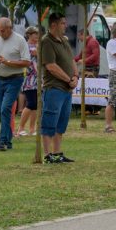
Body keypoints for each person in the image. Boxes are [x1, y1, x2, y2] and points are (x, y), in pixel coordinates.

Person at [0, 17, 31, 151]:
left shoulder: (20, 40)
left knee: (6, 108)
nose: (1, 33)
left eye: (3, 31)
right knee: (1, 111)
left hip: (14, 79)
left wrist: (8, 62)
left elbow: (26, 62)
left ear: (10, 28)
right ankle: (8, 141)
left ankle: (2, 141)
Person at [39, 13, 77, 164]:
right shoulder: (46, 42)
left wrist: (75, 77)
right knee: (50, 120)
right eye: (62, 23)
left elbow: (71, 60)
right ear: (53, 25)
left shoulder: (64, 40)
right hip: (54, 87)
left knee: (61, 122)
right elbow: (51, 66)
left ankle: (57, 153)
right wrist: (68, 79)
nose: (65, 26)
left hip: (66, 89)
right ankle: (48, 155)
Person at [16, 26, 39, 137]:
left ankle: (32, 128)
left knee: (36, 105)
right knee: (31, 103)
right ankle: (20, 128)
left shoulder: (38, 46)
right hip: (29, 78)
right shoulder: (27, 46)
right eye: (35, 34)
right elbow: (34, 55)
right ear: (29, 35)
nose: (37, 36)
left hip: (38, 79)